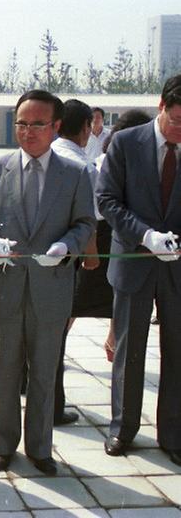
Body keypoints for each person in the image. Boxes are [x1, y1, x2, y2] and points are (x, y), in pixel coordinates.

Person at [0, 90, 95, 476]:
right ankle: (3, 444)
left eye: (38, 124)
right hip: (5, 286)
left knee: (44, 372)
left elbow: (85, 223)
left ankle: (40, 447)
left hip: (51, 287)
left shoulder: (75, 173)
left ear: (56, 127)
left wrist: (66, 245)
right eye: (22, 123)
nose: (28, 132)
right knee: (5, 370)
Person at [96, 74, 181, 466]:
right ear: (161, 107)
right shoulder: (127, 143)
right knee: (129, 351)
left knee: (177, 352)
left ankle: (173, 433)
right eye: (177, 120)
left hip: (177, 267)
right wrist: (146, 236)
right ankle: (122, 428)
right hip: (134, 259)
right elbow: (108, 199)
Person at [48, 99, 100, 426]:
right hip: (68, 258)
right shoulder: (83, 167)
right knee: (58, 332)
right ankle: (53, 406)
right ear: (84, 129)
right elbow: (89, 217)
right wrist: (91, 257)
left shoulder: (48, 156)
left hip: (40, 254)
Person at [92, 109, 153, 359]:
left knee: (116, 301)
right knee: (83, 300)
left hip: (128, 236)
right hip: (108, 235)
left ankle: (113, 339)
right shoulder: (108, 158)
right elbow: (103, 202)